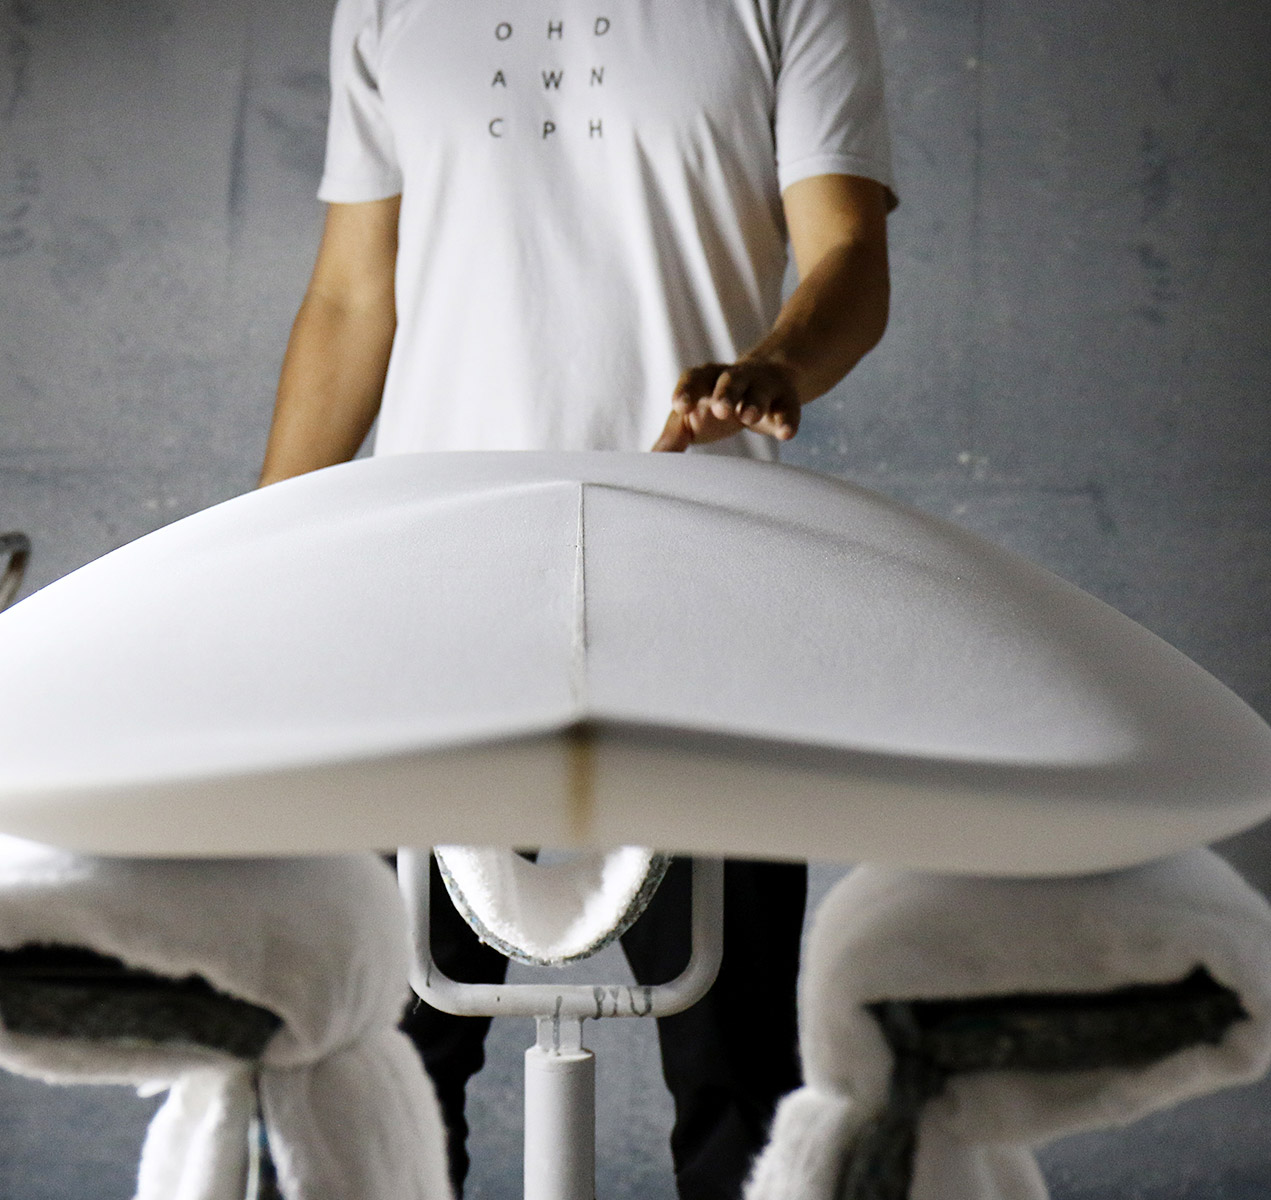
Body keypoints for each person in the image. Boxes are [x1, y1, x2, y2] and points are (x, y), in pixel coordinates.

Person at [258, 0, 896, 1195]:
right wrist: (251, 565)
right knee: (383, 1056)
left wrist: (777, 364)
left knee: (736, 1059)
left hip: (695, 568)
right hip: (432, 578)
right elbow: (351, 294)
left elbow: (849, 254)